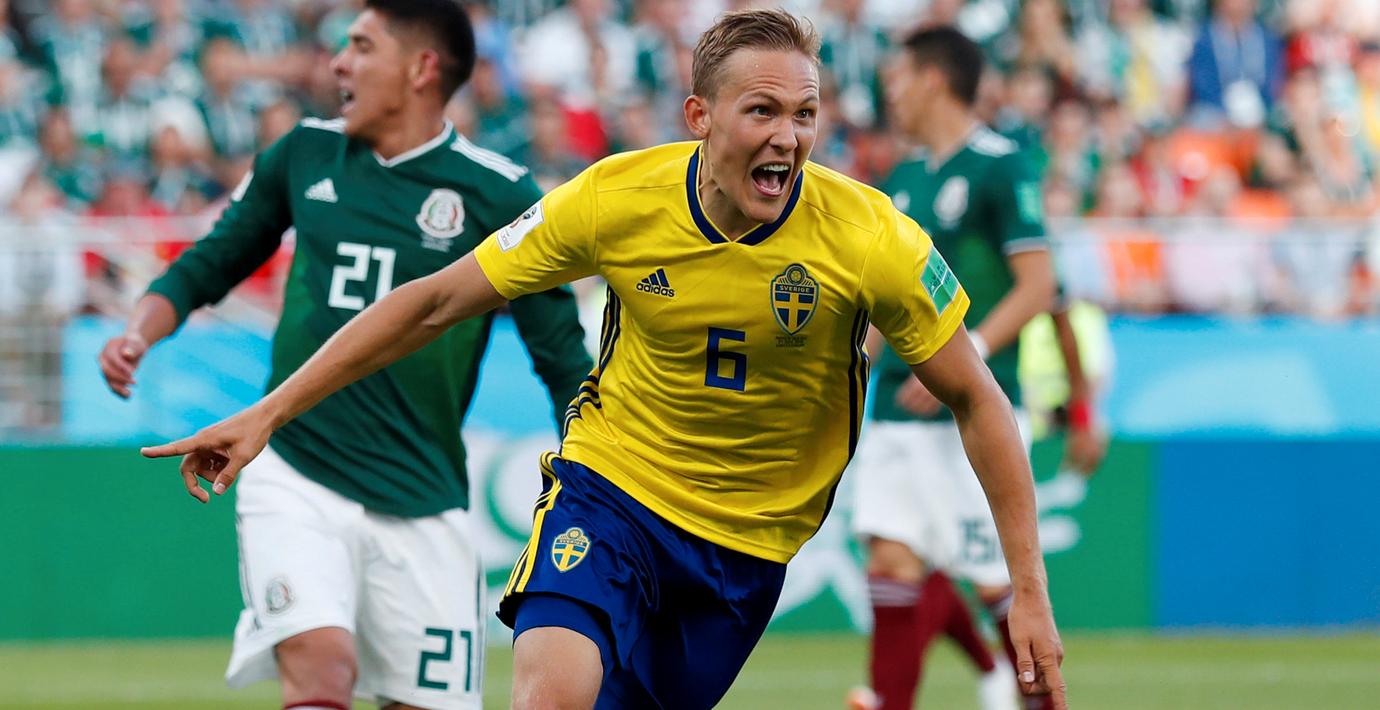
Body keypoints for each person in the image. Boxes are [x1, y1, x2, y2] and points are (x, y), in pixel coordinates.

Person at [140, 9, 1066, 710]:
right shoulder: (614, 200)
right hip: (612, 490)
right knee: (551, 694)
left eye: (805, 114)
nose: (788, 136)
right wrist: (270, 412)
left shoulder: (871, 238)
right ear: (700, 115)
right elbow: (434, 301)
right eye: (762, 110)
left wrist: (1029, 591)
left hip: (748, 546)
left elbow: (979, 400)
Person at [100, 2, 591, 709]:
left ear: (421, 68)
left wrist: (598, 485)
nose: (338, 63)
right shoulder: (303, 154)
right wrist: (139, 331)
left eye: (361, 46)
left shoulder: (499, 194)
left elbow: (561, 357)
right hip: (297, 469)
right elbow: (213, 259)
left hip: (424, 494)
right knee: (322, 666)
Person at [846, 26, 1064, 710]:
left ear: (933, 79)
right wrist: (847, 376)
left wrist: (968, 360)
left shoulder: (1002, 165)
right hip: (893, 413)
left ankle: (1039, 698)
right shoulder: (903, 179)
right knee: (891, 560)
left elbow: (1038, 286)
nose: (891, 94)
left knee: (995, 579)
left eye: (899, 78)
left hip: (970, 414)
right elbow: (882, 305)